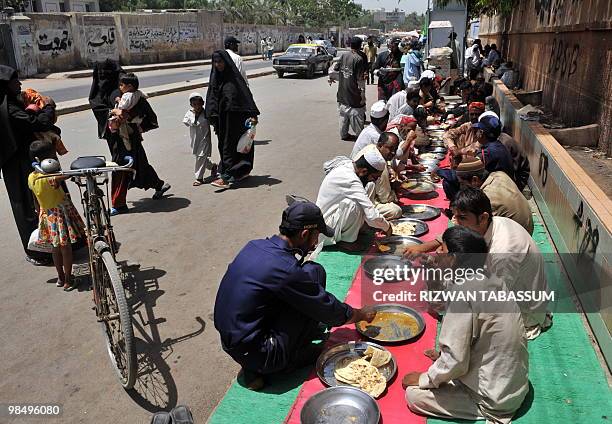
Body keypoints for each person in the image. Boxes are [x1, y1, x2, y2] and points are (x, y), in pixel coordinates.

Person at [214, 201, 376, 389]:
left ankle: (255, 365)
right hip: (264, 354)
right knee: (311, 295)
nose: (315, 243)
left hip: (234, 342)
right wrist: (360, 314)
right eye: (316, 236)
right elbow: (327, 308)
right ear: (305, 234)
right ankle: (285, 360)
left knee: (313, 271)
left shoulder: (254, 246)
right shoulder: (284, 269)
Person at [403, 225, 529, 424]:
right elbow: (442, 304)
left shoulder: (463, 292)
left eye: (442, 250)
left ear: (453, 258)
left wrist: (425, 378)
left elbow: (456, 359)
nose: (437, 252)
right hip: (514, 383)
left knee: (413, 395)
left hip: (494, 398)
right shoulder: (488, 276)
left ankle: (481, 407)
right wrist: (433, 271)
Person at [405, 188, 551, 338]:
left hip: (523, 310)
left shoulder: (503, 252)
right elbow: (457, 234)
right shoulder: (490, 223)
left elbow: (492, 301)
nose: (455, 222)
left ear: (483, 218)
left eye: (462, 218)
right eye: (454, 216)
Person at [89, 59, 170, 215]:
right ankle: (159, 184)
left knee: (121, 165)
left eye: (107, 74)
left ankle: (118, 203)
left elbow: (140, 107)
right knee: (138, 162)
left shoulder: (126, 89)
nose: (103, 77)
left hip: (129, 133)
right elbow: (99, 109)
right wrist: (111, 114)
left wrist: (125, 115)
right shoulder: (99, 94)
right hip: (113, 134)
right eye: (100, 74)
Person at [1, 65, 54, 265]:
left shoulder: (12, 102)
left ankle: (58, 242)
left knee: (42, 201)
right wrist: (48, 106)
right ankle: (38, 252)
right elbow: (38, 123)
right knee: (28, 208)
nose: (20, 84)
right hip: (17, 164)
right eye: (15, 81)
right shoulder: (9, 109)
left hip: (22, 160)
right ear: (6, 85)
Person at [28, 140, 86, 290]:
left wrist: (41, 215)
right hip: (60, 215)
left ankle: (60, 277)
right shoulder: (50, 177)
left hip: (46, 215)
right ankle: (68, 279)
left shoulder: (31, 177)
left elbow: (36, 201)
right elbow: (64, 176)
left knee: (55, 248)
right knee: (65, 248)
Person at [316, 149, 393, 249]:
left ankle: (356, 229)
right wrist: (387, 227)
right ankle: (347, 241)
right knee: (354, 204)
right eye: (374, 176)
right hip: (326, 230)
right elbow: (371, 215)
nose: (375, 179)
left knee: (370, 186)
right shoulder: (350, 179)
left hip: (335, 219)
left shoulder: (351, 166)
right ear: (364, 171)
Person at [205, 50, 260, 189]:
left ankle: (226, 177)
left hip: (236, 121)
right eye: (215, 62)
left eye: (220, 62)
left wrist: (252, 117)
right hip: (223, 121)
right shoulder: (216, 79)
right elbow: (212, 99)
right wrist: (212, 116)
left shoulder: (235, 80)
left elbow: (247, 98)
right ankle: (240, 171)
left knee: (230, 147)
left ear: (226, 62)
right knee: (226, 146)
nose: (218, 65)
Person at [456, 157, 534, 234]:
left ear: (475, 180)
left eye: (462, 183)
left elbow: (479, 229)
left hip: (517, 238)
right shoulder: (499, 174)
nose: (461, 188)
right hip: (526, 229)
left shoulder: (487, 197)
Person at [352, 132, 403, 219]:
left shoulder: (371, 148)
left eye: (395, 149)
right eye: (390, 149)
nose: (393, 152)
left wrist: (390, 169)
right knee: (395, 210)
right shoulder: (379, 167)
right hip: (359, 205)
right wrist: (394, 190)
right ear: (380, 145)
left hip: (360, 197)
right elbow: (385, 198)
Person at [329, 37, 367, 142]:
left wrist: (331, 78)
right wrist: (362, 95)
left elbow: (334, 69)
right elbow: (360, 80)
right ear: (360, 46)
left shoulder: (343, 56)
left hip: (342, 93)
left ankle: (344, 135)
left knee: (343, 116)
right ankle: (360, 138)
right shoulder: (359, 59)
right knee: (357, 116)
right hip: (354, 94)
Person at [183, 92, 217, 186]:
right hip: (195, 140)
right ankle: (213, 166)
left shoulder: (206, 113)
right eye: (194, 104)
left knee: (200, 157)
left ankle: (199, 178)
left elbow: (212, 121)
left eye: (199, 104)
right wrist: (193, 118)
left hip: (205, 139)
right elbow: (185, 121)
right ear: (191, 105)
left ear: (203, 103)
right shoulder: (189, 113)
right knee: (201, 157)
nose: (197, 106)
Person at [20, 88, 67, 156]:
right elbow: (44, 122)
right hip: (37, 151)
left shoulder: (27, 97)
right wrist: (49, 106)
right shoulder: (15, 108)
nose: (19, 84)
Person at [108, 72, 146, 152]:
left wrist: (118, 100)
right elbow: (144, 96)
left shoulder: (126, 95)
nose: (120, 87)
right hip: (137, 119)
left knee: (123, 132)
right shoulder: (138, 92)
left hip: (126, 119)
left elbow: (122, 106)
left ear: (129, 86)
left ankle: (127, 145)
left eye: (121, 85)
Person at [472, 112, 515, 180]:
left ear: (481, 133)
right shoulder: (501, 146)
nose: (475, 133)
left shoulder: (486, 153)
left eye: (477, 130)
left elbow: (469, 172)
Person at [374, 37, 404, 101]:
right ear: (390, 44)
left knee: (395, 103)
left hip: (397, 84)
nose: (396, 47)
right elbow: (374, 69)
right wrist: (379, 73)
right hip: (383, 84)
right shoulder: (382, 55)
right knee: (382, 104)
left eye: (397, 45)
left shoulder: (402, 56)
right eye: (394, 44)